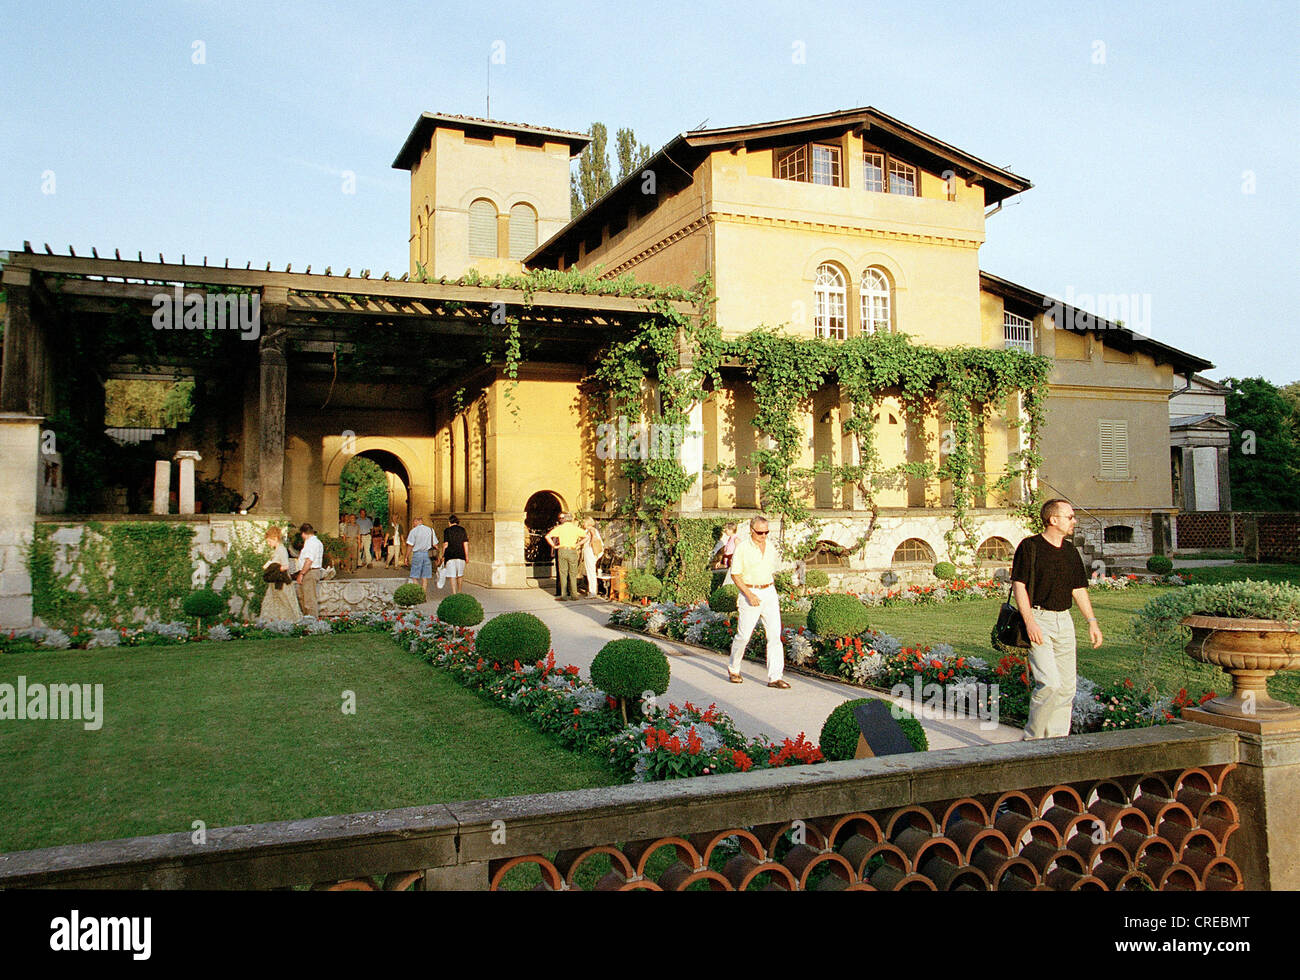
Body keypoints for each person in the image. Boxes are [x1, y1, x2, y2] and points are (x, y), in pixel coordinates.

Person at [1011, 498, 1104, 740]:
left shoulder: (1071, 551)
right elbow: (1019, 586)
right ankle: (1032, 740)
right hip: (1039, 619)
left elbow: (1078, 589)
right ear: (1053, 520)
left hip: (1064, 621)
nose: (1074, 521)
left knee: (1066, 689)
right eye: (1070, 517)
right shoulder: (1029, 547)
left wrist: (1092, 622)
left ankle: (1057, 742)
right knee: (1049, 684)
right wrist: (1030, 621)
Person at [727, 515, 789, 688]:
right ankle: (734, 669)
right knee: (744, 636)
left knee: (775, 636)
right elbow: (735, 574)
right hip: (750, 592)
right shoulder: (742, 548)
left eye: (766, 532)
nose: (763, 535)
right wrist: (749, 594)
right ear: (751, 530)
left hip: (769, 591)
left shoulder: (770, 547)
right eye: (760, 532)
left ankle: (775, 677)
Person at [261, 525, 301, 622]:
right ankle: (274, 622)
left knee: (286, 602)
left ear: (275, 538)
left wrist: (272, 568)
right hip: (276, 581)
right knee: (274, 602)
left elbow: (285, 565)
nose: (268, 544)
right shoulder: (278, 550)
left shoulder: (281, 549)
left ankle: (293, 621)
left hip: (282, 581)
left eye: (269, 541)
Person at [546, 512, 585, 600]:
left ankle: (564, 595)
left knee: (563, 573)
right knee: (573, 573)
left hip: (562, 550)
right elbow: (586, 537)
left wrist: (554, 546)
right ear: (571, 519)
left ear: (564, 519)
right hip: (572, 550)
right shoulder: (576, 528)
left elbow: (547, 536)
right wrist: (578, 544)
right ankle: (574, 595)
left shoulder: (560, 528)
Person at [294, 523, 325, 618]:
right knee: (305, 597)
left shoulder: (310, 543)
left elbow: (309, 560)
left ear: (303, 533)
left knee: (309, 599)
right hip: (312, 571)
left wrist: (301, 573)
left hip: (310, 572)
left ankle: (311, 621)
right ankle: (307, 618)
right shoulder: (317, 542)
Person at [439, 515, 470, 594]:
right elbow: (465, 543)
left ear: (450, 522)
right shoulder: (462, 530)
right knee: (460, 574)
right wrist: (466, 556)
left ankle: (454, 593)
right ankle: (459, 591)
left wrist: (443, 556)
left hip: (450, 555)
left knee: (452, 575)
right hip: (461, 555)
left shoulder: (447, 530)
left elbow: (445, 544)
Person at [406, 515, 434, 596]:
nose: (413, 524)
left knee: (414, 576)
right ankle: (423, 594)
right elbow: (435, 544)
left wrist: (406, 556)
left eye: (413, 522)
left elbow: (410, 545)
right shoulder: (430, 530)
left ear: (416, 521)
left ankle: (420, 592)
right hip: (427, 554)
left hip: (417, 554)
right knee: (425, 577)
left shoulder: (413, 531)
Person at [581, 517, 604, 598]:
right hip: (590, 552)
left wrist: (592, 541)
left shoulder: (591, 529)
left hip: (590, 552)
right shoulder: (590, 530)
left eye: (584, 522)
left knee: (590, 571)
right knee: (590, 571)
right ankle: (592, 591)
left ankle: (592, 592)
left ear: (588, 523)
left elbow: (593, 535)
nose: (583, 524)